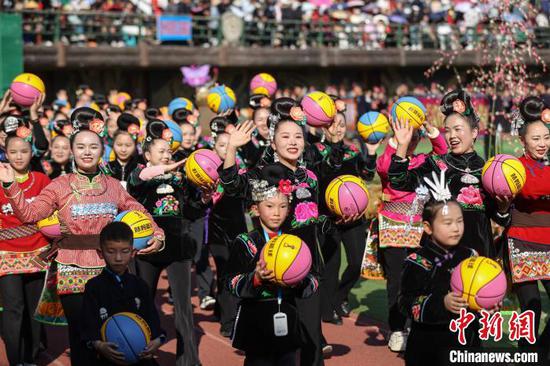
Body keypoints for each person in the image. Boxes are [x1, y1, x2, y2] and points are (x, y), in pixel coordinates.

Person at [0, 107, 164, 366]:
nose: (87, 152)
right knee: (83, 339)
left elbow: (139, 211)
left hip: (111, 269)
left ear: (102, 151)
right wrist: (11, 187)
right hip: (71, 270)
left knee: (116, 335)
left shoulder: (113, 186)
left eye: (93, 147)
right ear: (73, 151)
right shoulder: (59, 185)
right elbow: (30, 214)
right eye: (81, 147)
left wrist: (158, 234)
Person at [220, 98, 343, 365]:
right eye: (285, 136)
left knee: (311, 337)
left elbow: (316, 215)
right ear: (273, 144)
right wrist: (231, 148)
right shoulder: (263, 174)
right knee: (270, 345)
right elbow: (232, 186)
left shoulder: (309, 176)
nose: (293, 141)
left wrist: (335, 217)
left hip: (307, 267)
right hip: (272, 267)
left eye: (298, 136)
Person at [388, 89, 512, 258]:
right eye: (447, 130)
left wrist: (504, 208)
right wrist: (401, 146)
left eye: (458, 129)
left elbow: (502, 220)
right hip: (443, 258)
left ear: (474, 132)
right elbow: (399, 182)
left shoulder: (488, 170)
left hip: (481, 258)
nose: (451, 136)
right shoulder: (436, 164)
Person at [127, 120, 210, 366]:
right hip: (146, 249)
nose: (166, 155)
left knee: (184, 309)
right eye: (160, 151)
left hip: (178, 249)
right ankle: (141, 355)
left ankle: (188, 360)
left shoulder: (182, 180)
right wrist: (168, 167)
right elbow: (139, 177)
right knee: (142, 303)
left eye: (168, 151)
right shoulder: (139, 175)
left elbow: (192, 212)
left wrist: (203, 200)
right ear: (147, 154)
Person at [398, 171, 498, 366]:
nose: (456, 228)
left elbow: (478, 296)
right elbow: (405, 302)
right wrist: (441, 303)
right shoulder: (417, 260)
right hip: (428, 349)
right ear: (427, 227)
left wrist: (488, 303)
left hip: (468, 345)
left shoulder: (470, 255)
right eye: (447, 223)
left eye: (459, 221)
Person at [227, 166, 319, 366]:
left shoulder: (295, 243)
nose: (277, 213)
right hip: (256, 322)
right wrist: (256, 278)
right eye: (269, 206)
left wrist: (297, 280)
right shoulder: (245, 242)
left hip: (288, 316)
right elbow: (231, 283)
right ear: (255, 208)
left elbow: (313, 280)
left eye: (283, 206)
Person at [377, 117, 447, 352]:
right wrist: (399, 143)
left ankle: (417, 325)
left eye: (417, 135)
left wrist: (431, 130)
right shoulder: (388, 157)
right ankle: (397, 329)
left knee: (422, 277)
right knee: (397, 280)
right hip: (393, 225)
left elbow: (443, 152)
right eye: (408, 134)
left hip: (420, 226)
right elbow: (387, 169)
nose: (413, 139)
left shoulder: (422, 161)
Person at [313, 108, 378, 326]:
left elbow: (367, 175)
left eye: (342, 124)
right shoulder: (315, 150)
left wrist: (370, 153)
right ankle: (327, 308)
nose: (338, 128)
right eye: (333, 124)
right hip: (326, 219)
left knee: (357, 263)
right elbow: (318, 177)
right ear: (324, 126)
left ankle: (340, 296)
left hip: (354, 219)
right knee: (331, 266)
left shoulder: (352, 151)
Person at [81, 222, 166, 366]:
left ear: (133, 253)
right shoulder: (94, 287)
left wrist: (157, 340)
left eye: (125, 251)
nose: (118, 258)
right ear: (100, 253)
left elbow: (152, 318)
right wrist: (99, 345)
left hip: (140, 356)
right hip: (107, 359)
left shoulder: (140, 285)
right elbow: (87, 324)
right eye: (111, 251)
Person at [0, 133, 51, 366]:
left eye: (23, 151)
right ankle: (15, 359)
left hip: (38, 251)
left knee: (34, 309)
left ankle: (30, 357)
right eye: (13, 152)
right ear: (6, 154)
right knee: (13, 309)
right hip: (5, 253)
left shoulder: (41, 180)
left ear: (31, 153)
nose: (19, 156)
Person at [506, 96, 550, 354]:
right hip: (523, 239)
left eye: (546, 137)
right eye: (536, 139)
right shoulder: (514, 167)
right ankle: (527, 355)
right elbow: (531, 189)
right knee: (532, 307)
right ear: (522, 140)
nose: (542, 144)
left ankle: (540, 352)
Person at [207, 117, 247, 337]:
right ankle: (228, 323)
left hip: (238, 229)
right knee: (225, 272)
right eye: (221, 145)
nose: (225, 149)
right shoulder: (206, 170)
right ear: (214, 147)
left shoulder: (239, 172)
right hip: (215, 231)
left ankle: (220, 308)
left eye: (228, 144)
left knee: (237, 273)